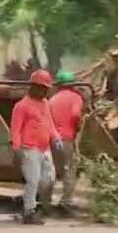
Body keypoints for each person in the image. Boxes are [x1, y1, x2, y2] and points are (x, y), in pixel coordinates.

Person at [11, 69, 63, 225]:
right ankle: (29, 211)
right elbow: (15, 129)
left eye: (46, 88)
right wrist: (17, 148)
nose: (44, 91)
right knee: (32, 181)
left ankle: (27, 199)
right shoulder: (21, 106)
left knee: (49, 178)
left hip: (44, 148)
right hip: (29, 148)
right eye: (42, 88)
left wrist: (56, 138)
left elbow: (50, 124)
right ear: (33, 86)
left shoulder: (45, 104)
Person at [49, 70, 85, 215]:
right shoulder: (76, 98)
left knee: (53, 170)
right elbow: (76, 114)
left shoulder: (52, 99)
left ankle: (46, 200)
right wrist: (78, 125)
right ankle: (66, 201)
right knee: (69, 169)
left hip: (52, 139)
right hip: (66, 139)